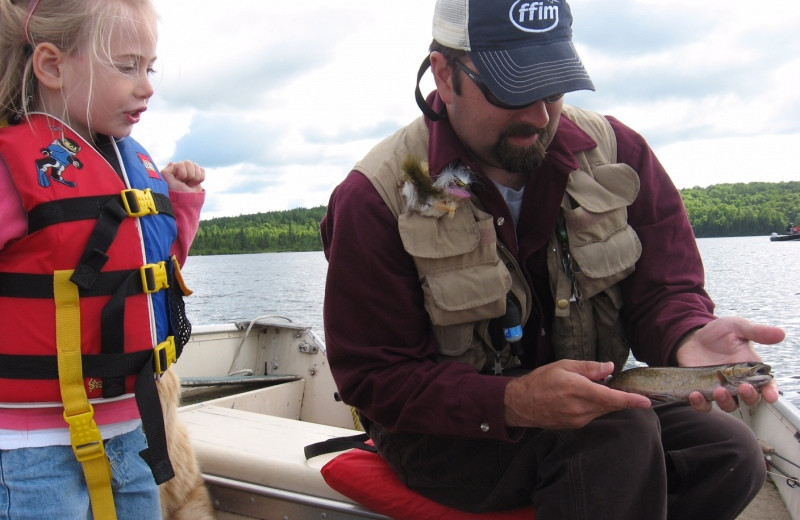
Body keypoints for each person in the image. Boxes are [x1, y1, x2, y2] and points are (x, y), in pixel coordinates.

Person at [320, 1, 786, 519]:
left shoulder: (616, 151)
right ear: (444, 74)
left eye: (553, 87)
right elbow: (375, 378)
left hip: (592, 407)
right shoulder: (379, 195)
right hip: (444, 435)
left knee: (731, 453)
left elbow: (666, 291)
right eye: (511, 89)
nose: (540, 116)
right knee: (617, 436)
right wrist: (512, 401)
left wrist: (687, 333)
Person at [0, 0, 205, 518]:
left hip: (131, 428)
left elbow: (153, 273)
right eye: (127, 66)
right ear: (51, 66)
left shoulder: (131, 163)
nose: (147, 85)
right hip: (33, 448)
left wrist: (177, 205)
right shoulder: (12, 168)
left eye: (150, 68)